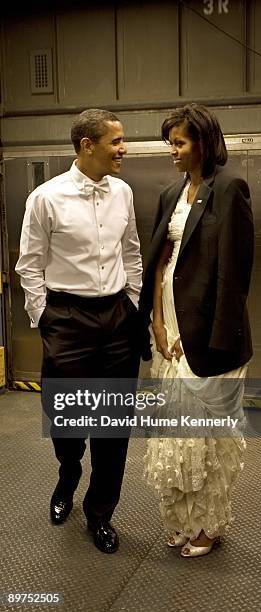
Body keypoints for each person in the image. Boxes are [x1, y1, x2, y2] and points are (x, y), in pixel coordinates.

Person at [15, 108, 142, 554]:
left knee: (113, 425)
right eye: (116, 141)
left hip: (117, 318)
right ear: (87, 145)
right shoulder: (46, 198)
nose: (123, 148)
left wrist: (133, 303)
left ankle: (100, 513)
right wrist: (46, 318)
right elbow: (28, 266)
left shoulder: (123, 192)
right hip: (66, 318)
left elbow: (132, 252)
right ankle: (68, 471)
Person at [139, 104, 254, 558]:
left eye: (180, 142)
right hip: (168, 333)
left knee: (205, 440)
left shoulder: (229, 191)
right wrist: (158, 323)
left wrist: (210, 341)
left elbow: (234, 275)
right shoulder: (170, 194)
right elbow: (160, 265)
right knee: (173, 438)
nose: (173, 150)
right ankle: (182, 521)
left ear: (203, 144)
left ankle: (206, 526)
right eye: (171, 142)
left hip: (209, 342)